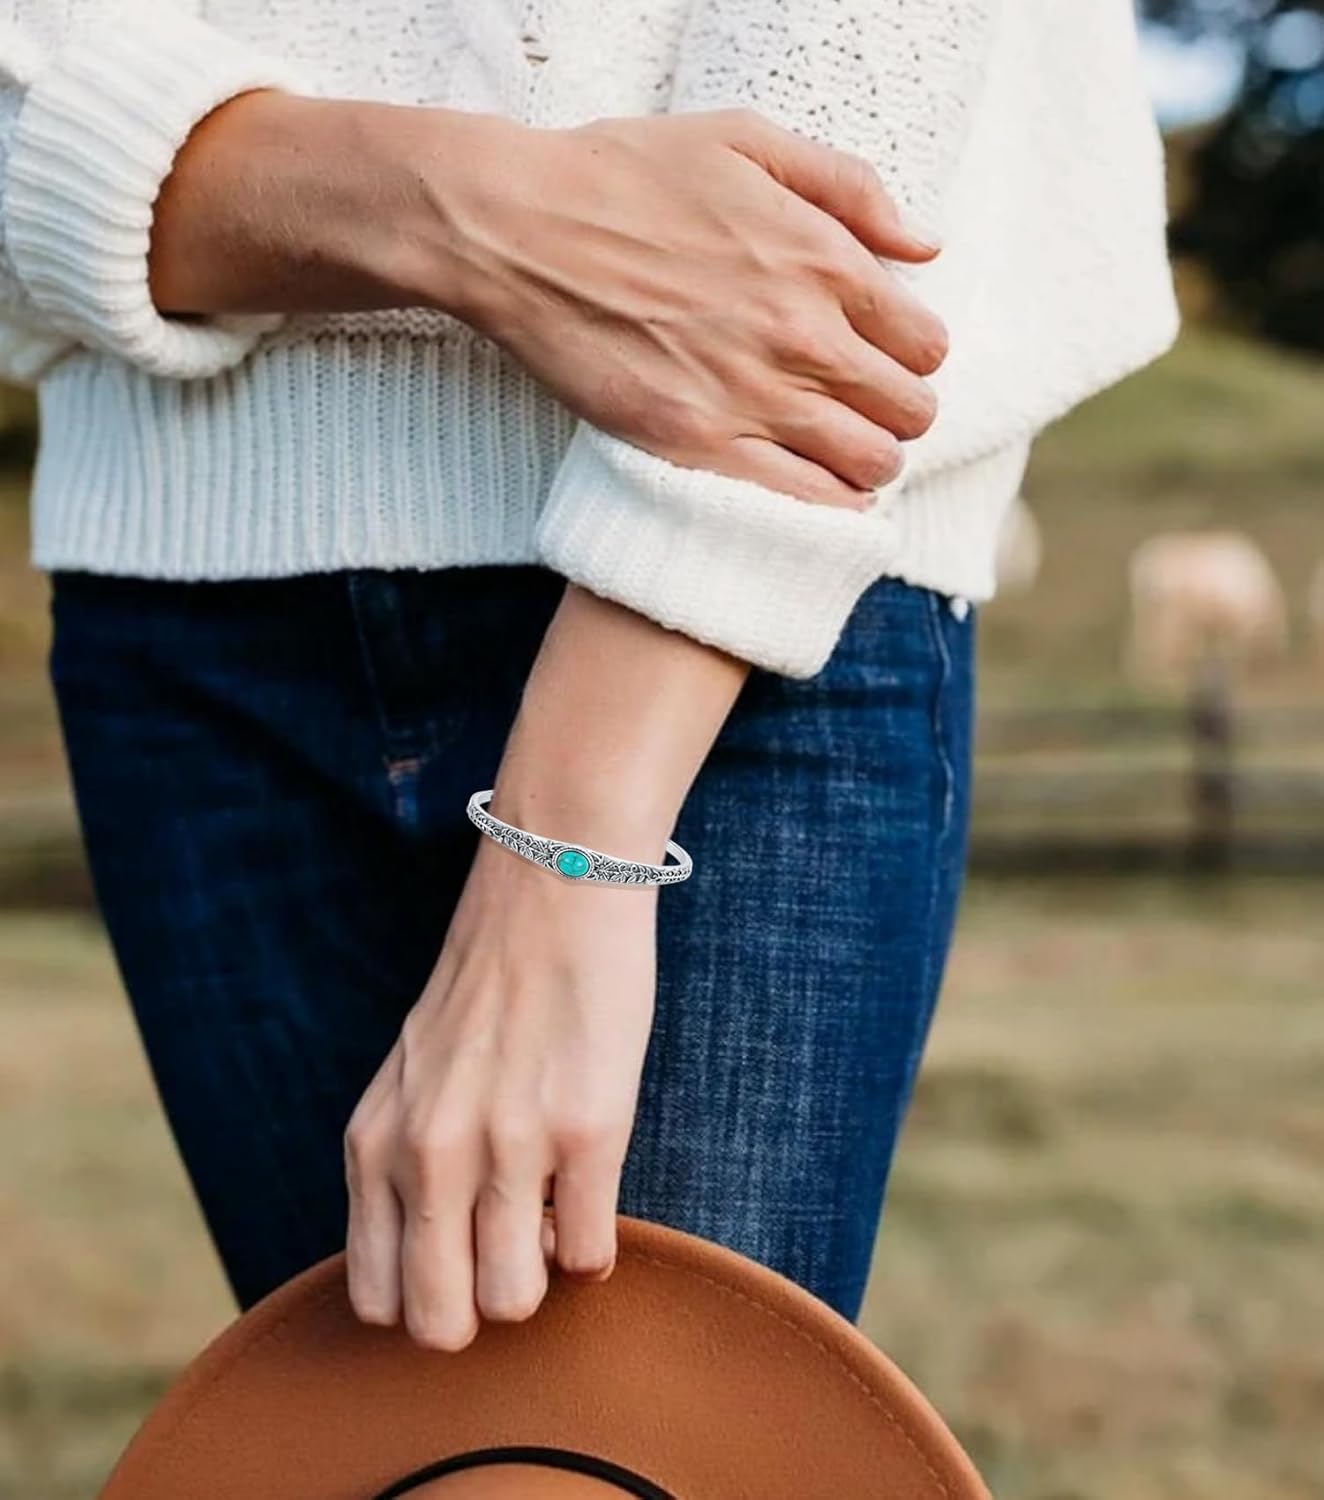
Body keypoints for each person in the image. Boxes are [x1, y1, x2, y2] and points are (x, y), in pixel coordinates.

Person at [0, 0, 1178, 1353]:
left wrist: (574, 833)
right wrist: (480, 211)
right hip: (176, 599)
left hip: (741, 597)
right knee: (363, 1454)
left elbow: (838, 152)